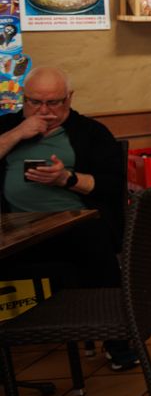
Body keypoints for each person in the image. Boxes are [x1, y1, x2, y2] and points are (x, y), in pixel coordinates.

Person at [0, 66, 134, 366]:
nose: (44, 111)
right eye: (35, 102)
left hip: (73, 226)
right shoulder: (9, 127)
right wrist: (19, 132)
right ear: (23, 98)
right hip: (14, 231)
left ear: (69, 99)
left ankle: (117, 339)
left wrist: (66, 179)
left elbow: (112, 185)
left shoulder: (90, 133)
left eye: (54, 102)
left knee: (94, 238)